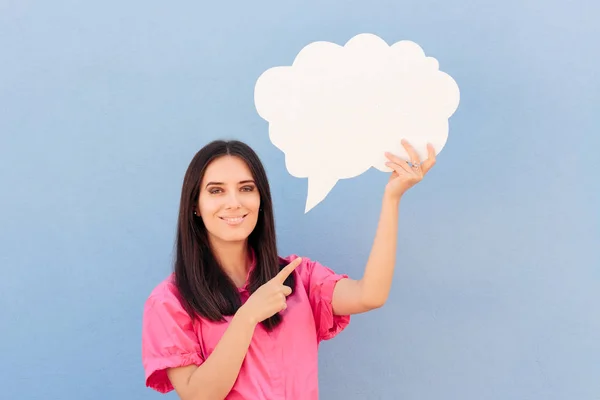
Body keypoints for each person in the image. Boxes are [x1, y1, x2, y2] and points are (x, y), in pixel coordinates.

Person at [141, 138, 436, 399]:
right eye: (216, 191)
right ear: (195, 204)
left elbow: (370, 295)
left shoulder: (299, 276)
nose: (233, 202)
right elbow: (198, 396)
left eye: (246, 188)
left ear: (261, 201)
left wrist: (392, 197)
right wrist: (247, 317)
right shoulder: (170, 300)